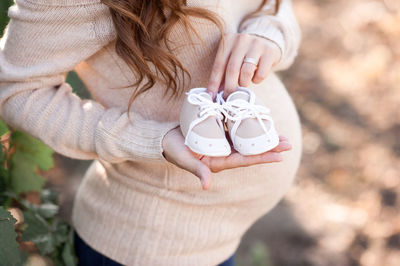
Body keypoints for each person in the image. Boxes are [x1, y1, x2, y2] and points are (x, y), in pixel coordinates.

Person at [0, 0, 302, 265]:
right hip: (150, 243)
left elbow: (273, 6)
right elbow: (16, 90)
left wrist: (268, 34)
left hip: (215, 237)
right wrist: (152, 139)